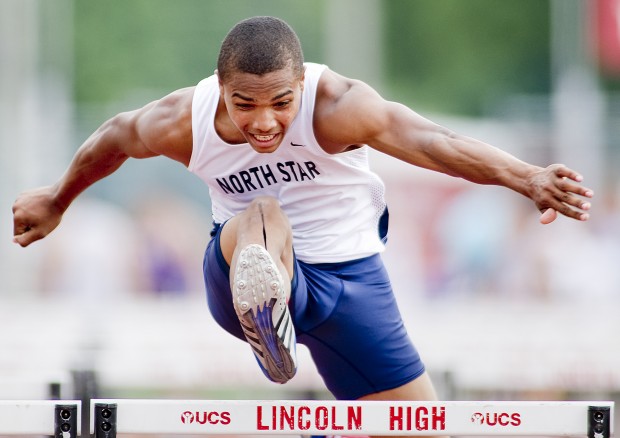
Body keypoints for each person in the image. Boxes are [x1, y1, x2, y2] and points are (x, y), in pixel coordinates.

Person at [13, 14, 592, 424]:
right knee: (263, 211)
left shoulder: (339, 106)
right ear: (221, 90)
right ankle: (266, 307)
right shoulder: (182, 121)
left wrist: (527, 178)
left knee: (422, 422)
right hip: (240, 265)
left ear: (300, 87)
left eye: (280, 103)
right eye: (244, 104)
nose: (264, 123)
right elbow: (112, 138)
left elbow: (433, 141)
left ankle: (284, 332)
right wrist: (58, 200)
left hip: (350, 282)